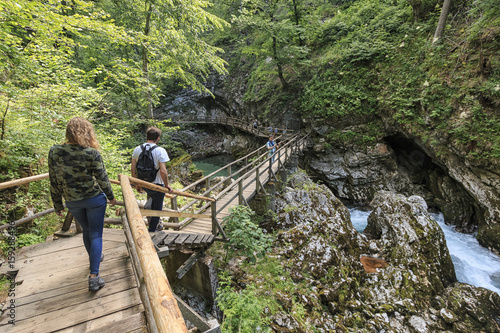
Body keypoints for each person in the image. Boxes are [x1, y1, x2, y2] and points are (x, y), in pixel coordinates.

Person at [48, 117, 116, 292]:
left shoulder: (54, 151)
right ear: (87, 132)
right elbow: (103, 178)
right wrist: (111, 197)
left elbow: (53, 180)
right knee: (96, 234)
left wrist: (57, 204)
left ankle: (94, 259)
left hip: (72, 201)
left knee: (87, 231)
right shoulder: (91, 153)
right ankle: (94, 276)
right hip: (94, 200)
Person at [131, 126, 173, 232]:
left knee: (151, 200)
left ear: (147, 136)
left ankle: (148, 211)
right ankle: (152, 230)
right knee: (157, 210)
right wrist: (167, 185)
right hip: (157, 185)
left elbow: (133, 169)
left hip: (144, 184)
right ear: (158, 137)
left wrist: (138, 184)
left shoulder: (137, 149)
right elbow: (163, 171)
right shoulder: (160, 150)